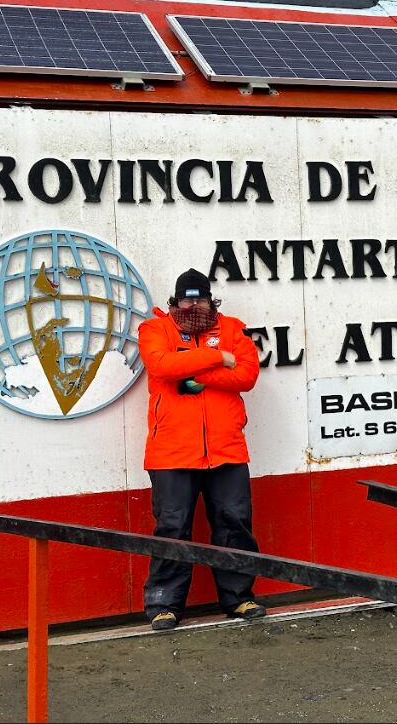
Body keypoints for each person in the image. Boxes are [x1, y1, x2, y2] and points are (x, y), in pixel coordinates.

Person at [138, 268, 265, 631]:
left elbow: (247, 376)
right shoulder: (154, 330)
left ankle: (240, 598)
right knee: (172, 527)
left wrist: (197, 377)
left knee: (234, 523)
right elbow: (162, 366)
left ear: (212, 300)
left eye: (201, 297)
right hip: (171, 451)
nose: (194, 304)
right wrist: (217, 359)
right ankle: (164, 604)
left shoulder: (231, 329)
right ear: (175, 302)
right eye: (187, 298)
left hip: (226, 448)